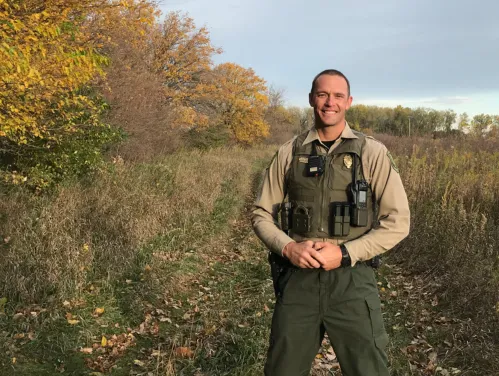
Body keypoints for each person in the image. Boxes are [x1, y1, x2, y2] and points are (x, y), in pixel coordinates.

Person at [251, 69, 410, 376]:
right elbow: (261, 213)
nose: (329, 103)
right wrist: (288, 248)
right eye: (323, 95)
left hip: (352, 281)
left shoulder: (372, 152)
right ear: (312, 99)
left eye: (338, 96)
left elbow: (398, 221)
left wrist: (346, 253)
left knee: (369, 369)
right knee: (282, 369)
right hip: (298, 280)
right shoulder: (290, 152)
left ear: (348, 102)